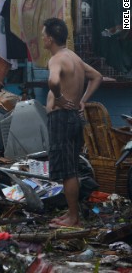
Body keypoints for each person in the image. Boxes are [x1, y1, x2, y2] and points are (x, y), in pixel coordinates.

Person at [42, 17, 102, 228]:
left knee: (68, 172)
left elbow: (53, 81)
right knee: (72, 169)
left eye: (43, 36)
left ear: (49, 39)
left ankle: (73, 218)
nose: (43, 39)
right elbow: (97, 76)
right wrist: (82, 100)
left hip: (61, 119)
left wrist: (57, 97)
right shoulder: (74, 58)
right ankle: (72, 214)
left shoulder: (57, 58)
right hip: (73, 119)